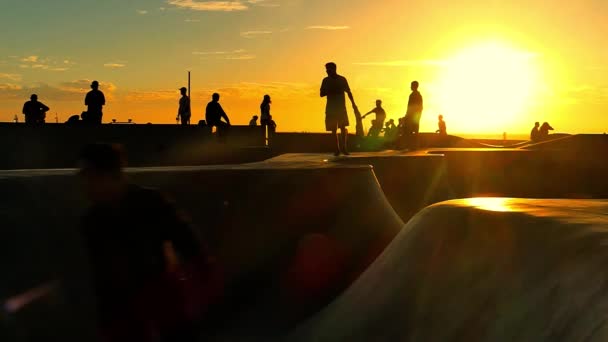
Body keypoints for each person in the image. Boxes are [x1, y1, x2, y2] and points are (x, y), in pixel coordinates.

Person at [78, 143, 220, 341]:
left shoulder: (149, 203)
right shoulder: (93, 220)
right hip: (129, 316)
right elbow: (101, 280)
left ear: (107, 174)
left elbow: (191, 248)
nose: (84, 183)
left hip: (163, 310)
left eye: (88, 175)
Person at [320, 62, 358, 156]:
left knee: (343, 127)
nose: (327, 71)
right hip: (331, 109)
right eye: (326, 70)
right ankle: (336, 149)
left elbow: (349, 92)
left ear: (334, 69)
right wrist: (331, 91)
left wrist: (353, 104)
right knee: (333, 130)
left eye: (329, 70)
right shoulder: (325, 80)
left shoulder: (342, 79)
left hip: (341, 108)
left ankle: (344, 148)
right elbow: (321, 94)